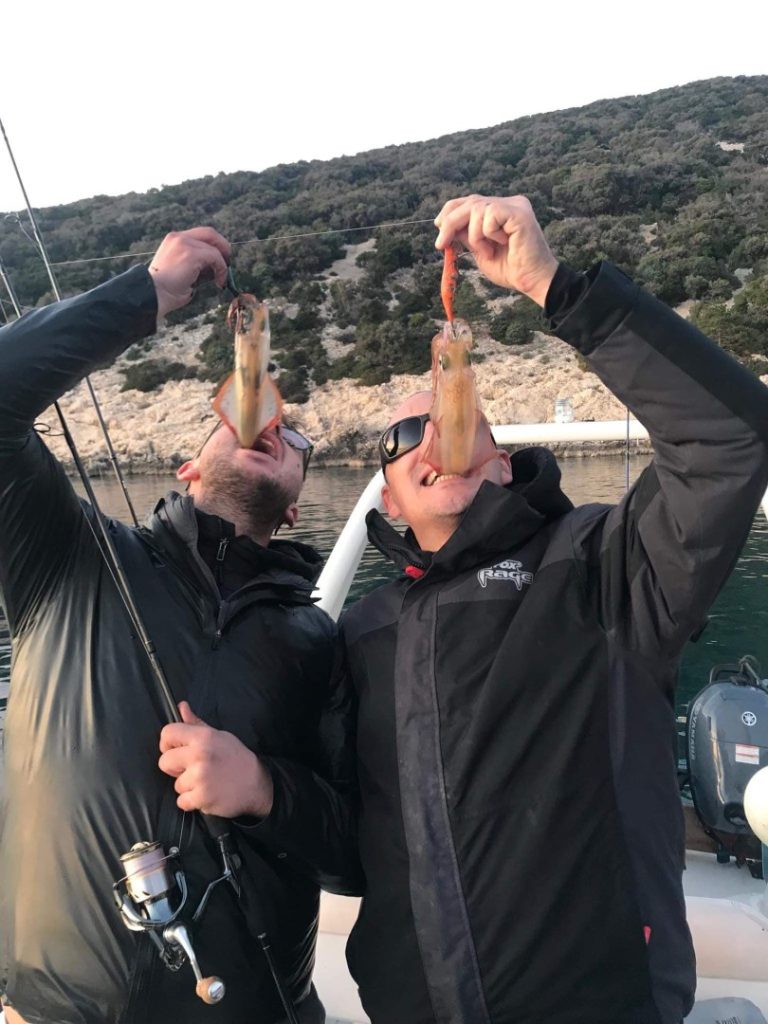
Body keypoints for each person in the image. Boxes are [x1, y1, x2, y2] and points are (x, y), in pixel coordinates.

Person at [0, 227, 360, 1024]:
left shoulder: (322, 640)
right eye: (243, 414)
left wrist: (264, 789)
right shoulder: (68, 556)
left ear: (295, 505)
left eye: (295, 436)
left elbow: (356, 852)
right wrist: (147, 295)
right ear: (188, 466)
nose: (271, 424)